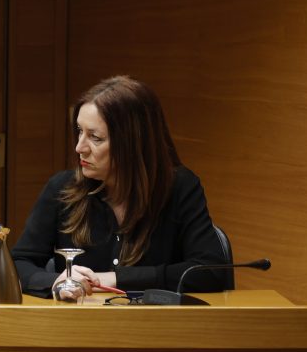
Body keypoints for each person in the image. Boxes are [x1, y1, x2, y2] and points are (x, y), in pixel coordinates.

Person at [12, 75, 227, 296]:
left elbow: (210, 271)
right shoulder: (62, 188)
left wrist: (116, 279)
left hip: (152, 317)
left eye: (95, 138)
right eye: (79, 131)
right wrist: (57, 281)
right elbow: (17, 264)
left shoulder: (180, 187)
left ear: (132, 143)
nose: (79, 147)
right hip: (80, 317)